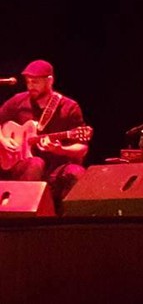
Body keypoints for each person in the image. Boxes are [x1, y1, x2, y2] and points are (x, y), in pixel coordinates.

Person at [0, 60, 91, 213]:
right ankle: (24, 216)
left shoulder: (69, 107)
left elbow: (82, 149)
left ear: (49, 81)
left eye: (35, 82)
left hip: (57, 169)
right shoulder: (18, 101)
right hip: (24, 167)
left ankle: (71, 221)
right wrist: (3, 140)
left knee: (76, 172)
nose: (30, 86)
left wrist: (61, 149)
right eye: (28, 82)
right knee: (35, 163)